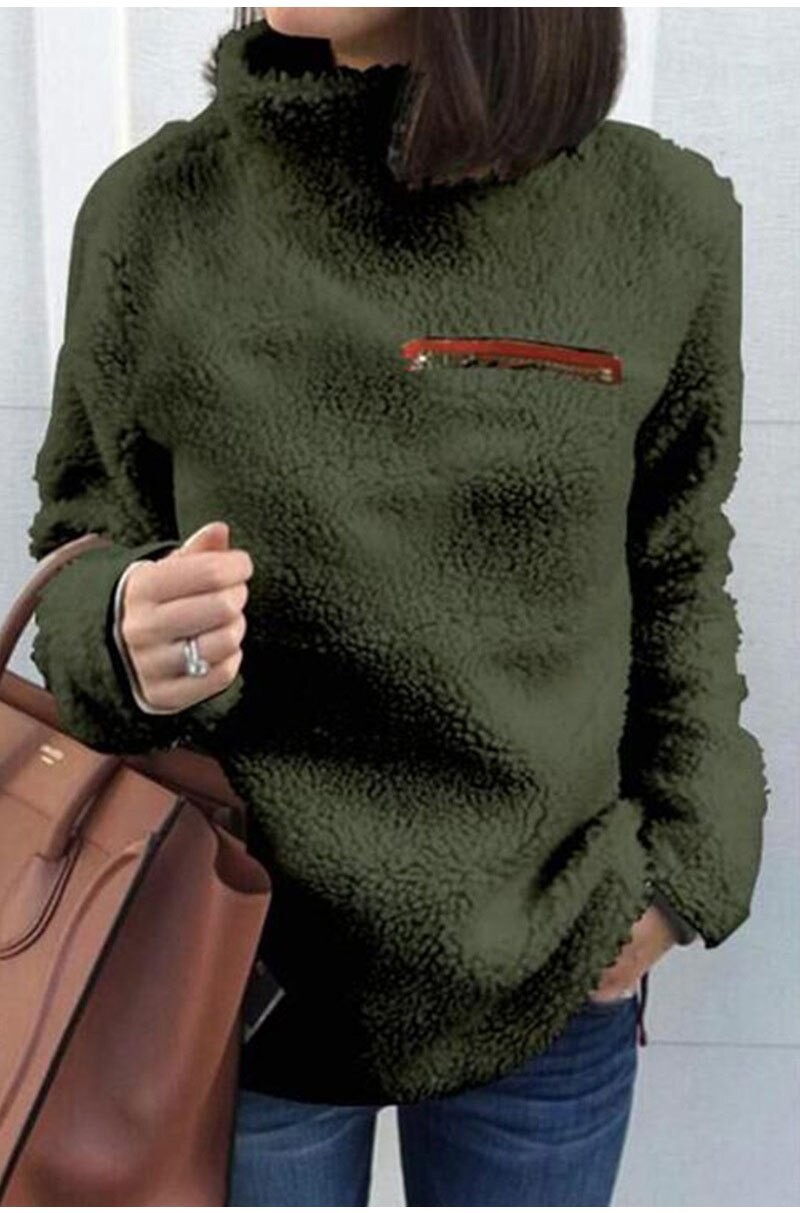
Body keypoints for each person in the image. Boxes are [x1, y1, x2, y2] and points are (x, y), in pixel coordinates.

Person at [26, 7, 769, 1206]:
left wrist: (683, 869)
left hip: (550, 955)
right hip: (234, 962)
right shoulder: (158, 208)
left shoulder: (657, 216)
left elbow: (676, 561)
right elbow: (82, 532)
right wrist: (120, 629)